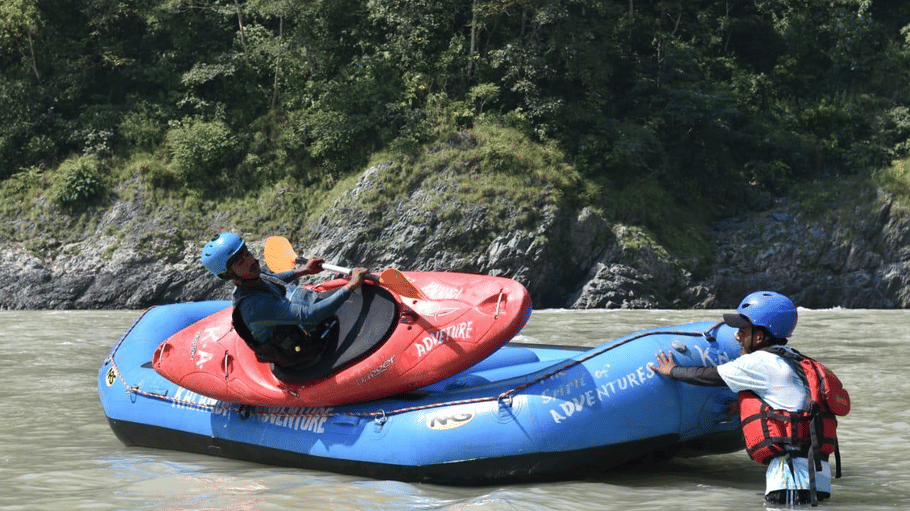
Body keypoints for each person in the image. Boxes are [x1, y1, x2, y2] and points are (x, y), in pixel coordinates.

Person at [652, 291, 837, 506]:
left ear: (759, 337)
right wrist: (742, 406)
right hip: (820, 477)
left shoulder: (759, 361)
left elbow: (709, 376)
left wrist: (673, 370)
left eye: (742, 330)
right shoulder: (797, 360)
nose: (737, 336)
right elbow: (796, 405)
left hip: (790, 478)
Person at [201, 232, 368, 369]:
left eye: (247, 253)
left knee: (299, 296)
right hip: (301, 352)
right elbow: (309, 315)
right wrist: (351, 286)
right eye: (240, 261)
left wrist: (304, 270)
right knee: (308, 307)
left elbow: (273, 279)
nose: (250, 260)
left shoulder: (252, 275)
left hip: (295, 327)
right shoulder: (254, 306)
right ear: (229, 275)